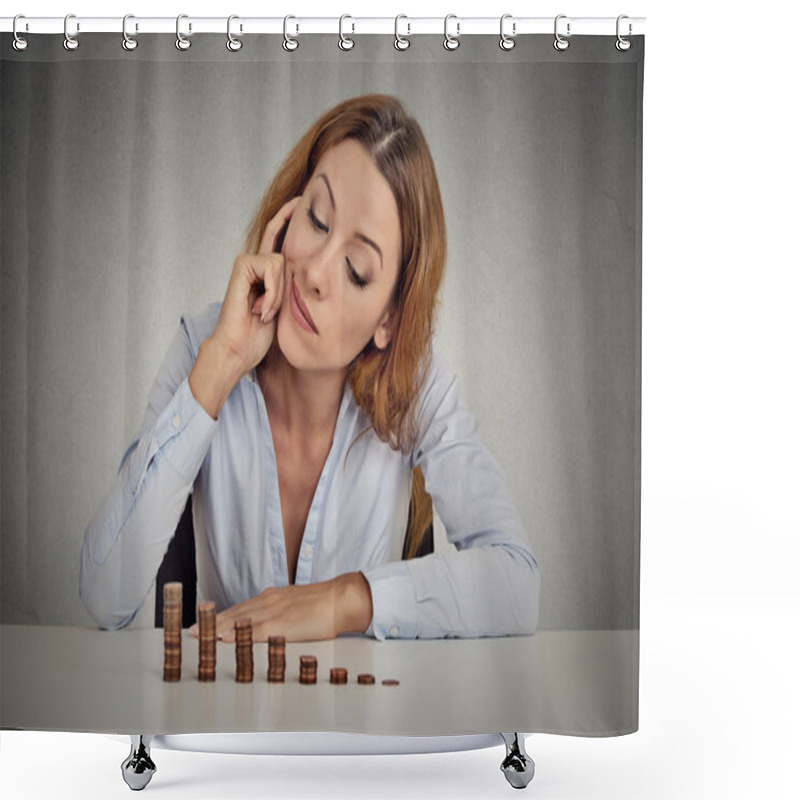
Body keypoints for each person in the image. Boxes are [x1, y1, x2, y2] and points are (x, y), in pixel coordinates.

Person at [79, 94, 540, 643]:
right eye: (317, 219)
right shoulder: (206, 345)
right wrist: (222, 363)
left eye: (357, 270)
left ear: (389, 318)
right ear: (288, 213)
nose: (317, 272)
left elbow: (517, 585)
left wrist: (347, 600)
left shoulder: (417, 384)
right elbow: (104, 596)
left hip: (362, 725)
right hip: (228, 725)